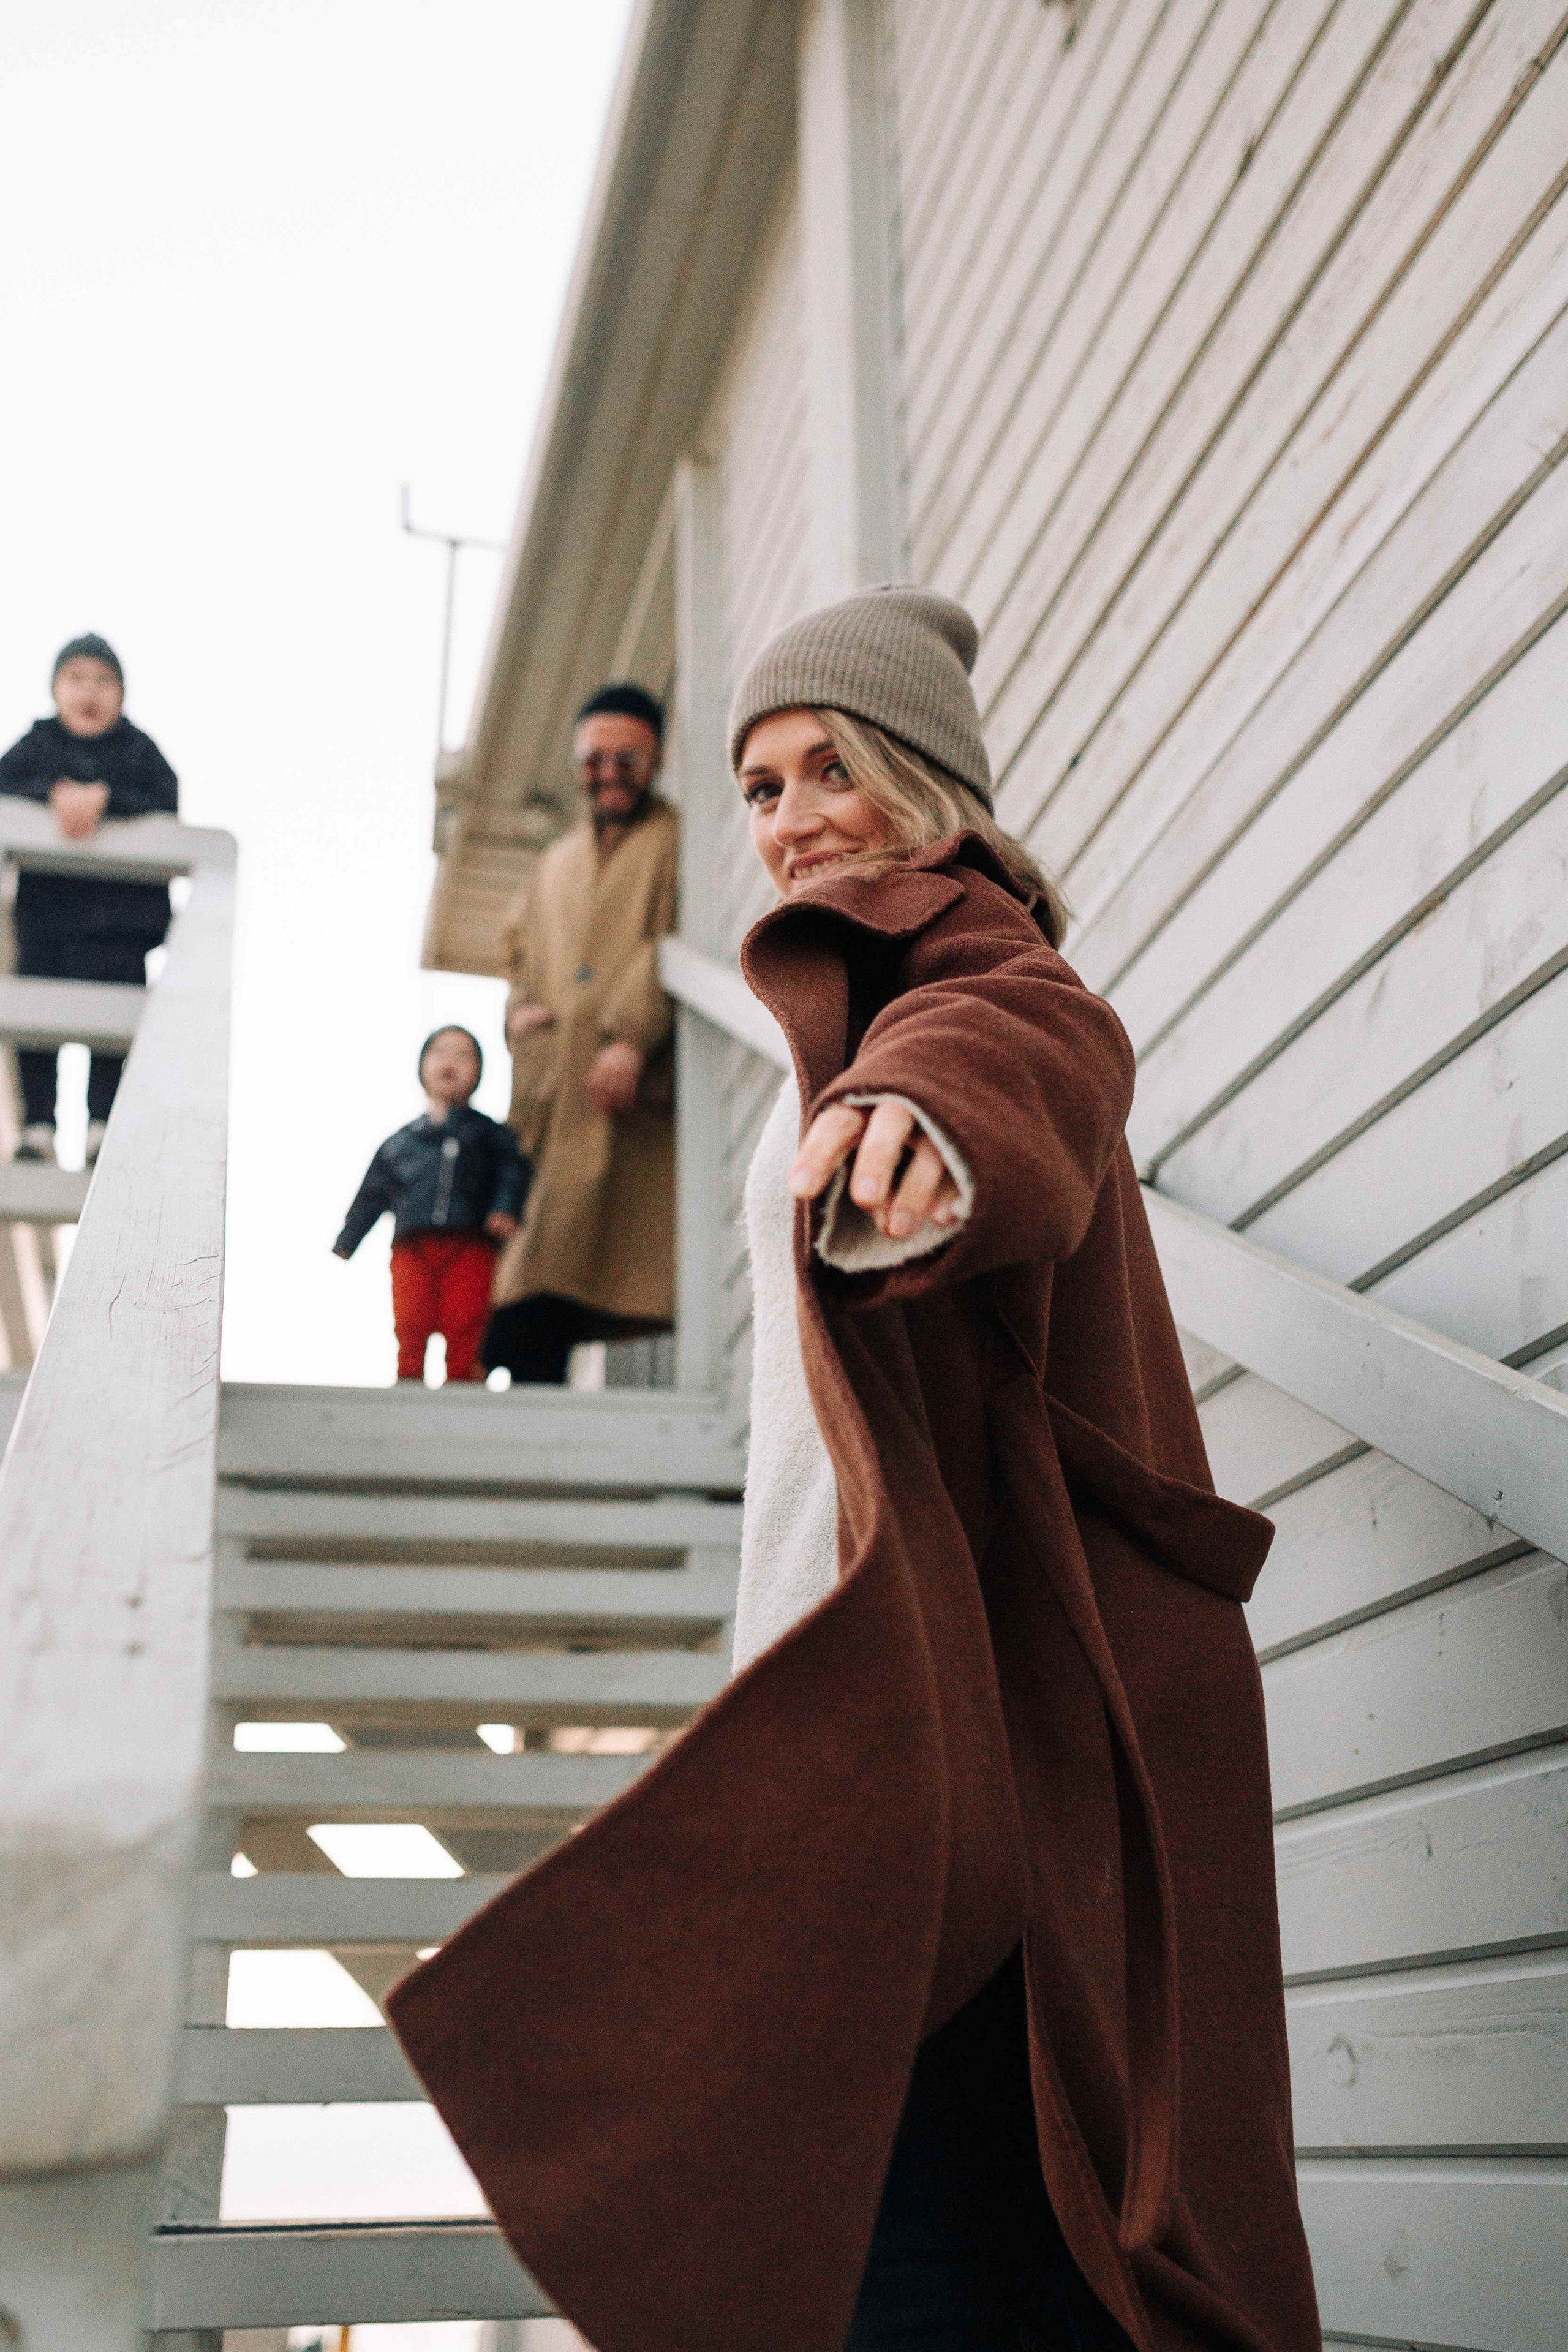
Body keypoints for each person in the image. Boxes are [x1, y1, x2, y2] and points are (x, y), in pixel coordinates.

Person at [388, 589, 1320, 2352]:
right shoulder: (851, 993)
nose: (793, 810)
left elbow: (1033, 1053)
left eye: (832, 764)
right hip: (916, 1718)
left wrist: (923, 1132)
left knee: (966, 2247)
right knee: (963, 2246)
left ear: (931, 784)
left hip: (1001, 1722)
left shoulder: (963, 964)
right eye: (756, 782)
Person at [484, 681, 678, 1384]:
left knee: (598, 1261)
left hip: (627, 1088)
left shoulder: (675, 841)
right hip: (549, 1087)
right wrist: (516, 1011)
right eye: (594, 759)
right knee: (528, 1271)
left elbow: (673, 943)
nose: (607, 773)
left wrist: (631, 1034)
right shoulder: (553, 861)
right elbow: (516, 949)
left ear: (653, 760)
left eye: (626, 759)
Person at [0, 634, 178, 1163]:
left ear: (121, 694)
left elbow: (166, 799)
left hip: (119, 927)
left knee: (113, 1035)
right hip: (46, 918)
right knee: (36, 1022)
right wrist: (55, 792)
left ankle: (104, 1124)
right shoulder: (37, 746)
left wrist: (106, 798)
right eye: (76, 678)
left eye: (103, 680)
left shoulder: (139, 751)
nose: (90, 691)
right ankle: (38, 1126)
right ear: (56, 688)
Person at [334, 1026, 528, 1385]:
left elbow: (512, 1173)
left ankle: (462, 1383)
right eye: (440, 1052)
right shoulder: (401, 1142)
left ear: (479, 1073)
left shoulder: (490, 1135)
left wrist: (505, 1207)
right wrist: (349, 1238)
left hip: (471, 1244)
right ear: (422, 1067)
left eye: (463, 1054)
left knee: (466, 1318)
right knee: (411, 1319)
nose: (450, 1061)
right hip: (412, 1246)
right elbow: (372, 1193)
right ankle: (408, 1382)